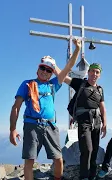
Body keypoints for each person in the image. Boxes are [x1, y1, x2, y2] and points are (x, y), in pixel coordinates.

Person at [9, 39, 81, 180]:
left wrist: (77, 48)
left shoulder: (54, 84)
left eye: (49, 70)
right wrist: (12, 129)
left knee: (58, 158)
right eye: (43, 68)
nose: (45, 72)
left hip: (50, 126)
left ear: (52, 73)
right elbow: (16, 106)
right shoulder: (28, 84)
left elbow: (69, 67)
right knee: (29, 160)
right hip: (31, 125)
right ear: (38, 69)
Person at [62, 63, 107, 180]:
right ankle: (84, 176)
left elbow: (102, 107)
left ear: (100, 75)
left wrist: (105, 124)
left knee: (95, 150)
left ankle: (92, 176)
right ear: (88, 72)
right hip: (84, 121)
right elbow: (63, 77)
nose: (94, 74)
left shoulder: (100, 90)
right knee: (87, 149)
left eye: (97, 72)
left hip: (97, 121)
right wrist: (52, 66)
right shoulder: (81, 84)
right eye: (92, 71)